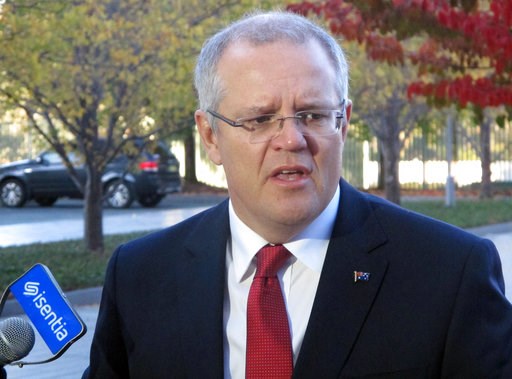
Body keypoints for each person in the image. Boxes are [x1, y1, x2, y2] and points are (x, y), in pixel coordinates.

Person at [83, 10, 512, 378]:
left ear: (343, 123)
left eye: (312, 114)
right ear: (210, 136)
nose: (291, 139)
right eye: (259, 119)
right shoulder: (140, 274)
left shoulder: (451, 272)